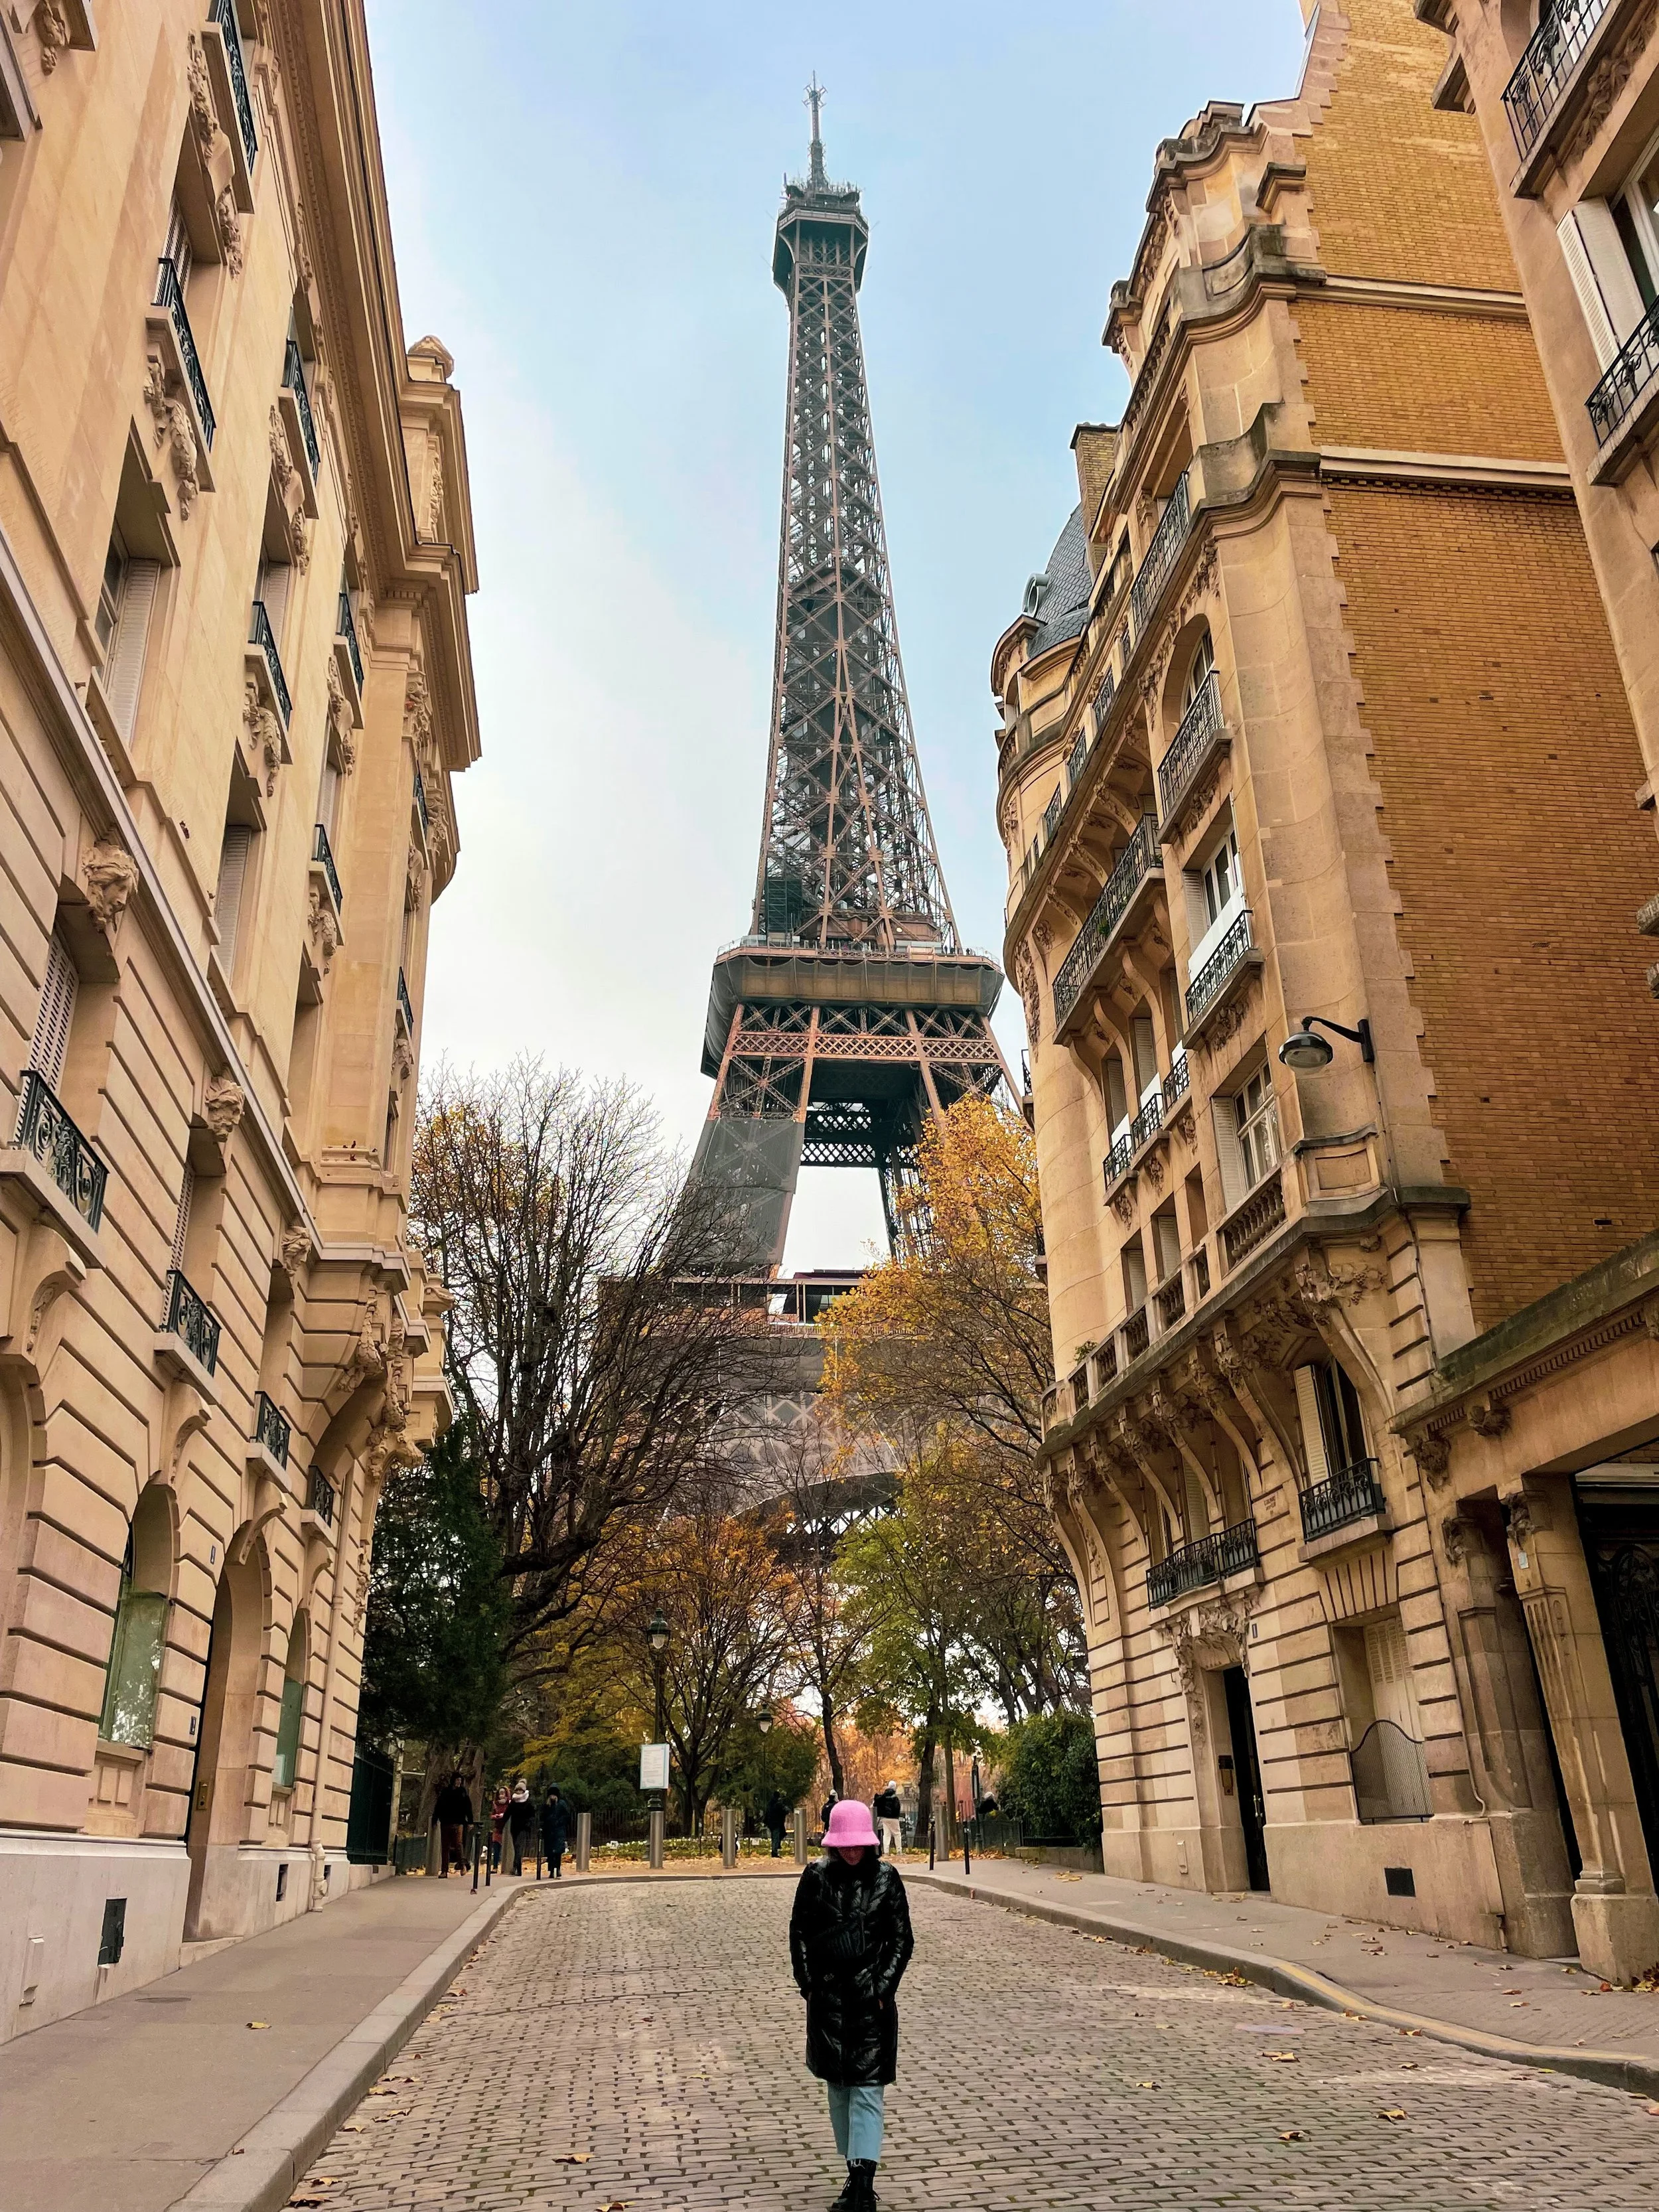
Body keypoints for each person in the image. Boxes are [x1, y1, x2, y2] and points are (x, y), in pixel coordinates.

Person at [790, 1798, 914, 2211]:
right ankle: (853, 2170)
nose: (851, 1852)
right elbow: (801, 1934)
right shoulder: (816, 1878)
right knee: (839, 2091)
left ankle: (863, 2184)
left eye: (858, 1845)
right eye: (844, 1845)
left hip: (870, 2004)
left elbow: (901, 1939)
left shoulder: (887, 1880)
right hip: (828, 2003)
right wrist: (809, 1985)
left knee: (867, 2091)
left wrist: (882, 1987)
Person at [434, 1772, 472, 1876]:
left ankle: (462, 1865)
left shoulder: (463, 1792)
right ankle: (444, 1870)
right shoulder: (446, 1792)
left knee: (459, 1844)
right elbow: (439, 1806)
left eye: (460, 1780)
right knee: (445, 1846)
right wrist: (435, 1818)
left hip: (459, 1822)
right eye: (457, 1780)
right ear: (453, 1781)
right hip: (446, 1822)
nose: (459, 1782)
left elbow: (468, 1807)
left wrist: (470, 1821)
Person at [540, 1784, 571, 1880]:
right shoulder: (547, 1805)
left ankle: (557, 1869)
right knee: (550, 1852)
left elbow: (567, 1816)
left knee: (557, 1851)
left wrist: (560, 1822)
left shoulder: (561, 1804)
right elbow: (542, 1817)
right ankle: (551, 1870)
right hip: (549, 1831)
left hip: (558, 1831)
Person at [506, 1778, 535, 1876]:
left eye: (520, 1790)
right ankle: (516, 1867)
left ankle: (517, 1868)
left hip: (523, 1828)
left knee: (518, 1846)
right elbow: (507, 1814)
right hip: (514, 1827)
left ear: (523, 1791)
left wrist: (529, 1824)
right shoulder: (513, 1802)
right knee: (516, 1847)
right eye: (517, 1790)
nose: (518, 1792)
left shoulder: (528, 1802)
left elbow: (532, 1815)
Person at [871, 1781, 903, 1860]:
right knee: (897, 1834)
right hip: (894, 1818)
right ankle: (899, 1851)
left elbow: (877, 1803)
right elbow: (897, 1808)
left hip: (885, 1818)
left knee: (886, 1835)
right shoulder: (895, 1797)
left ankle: (886, 1852)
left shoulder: (884, 1796)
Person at [764, 1789, 789, 1858]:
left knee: (774, 1838)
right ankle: (774, 1852)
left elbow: (767, 1814)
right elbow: (786, 1811)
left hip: (771, 1824)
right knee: (776, 1838)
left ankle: (774, 1851)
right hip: (777, 1824)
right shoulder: (778, 1804)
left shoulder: (770, 1804)